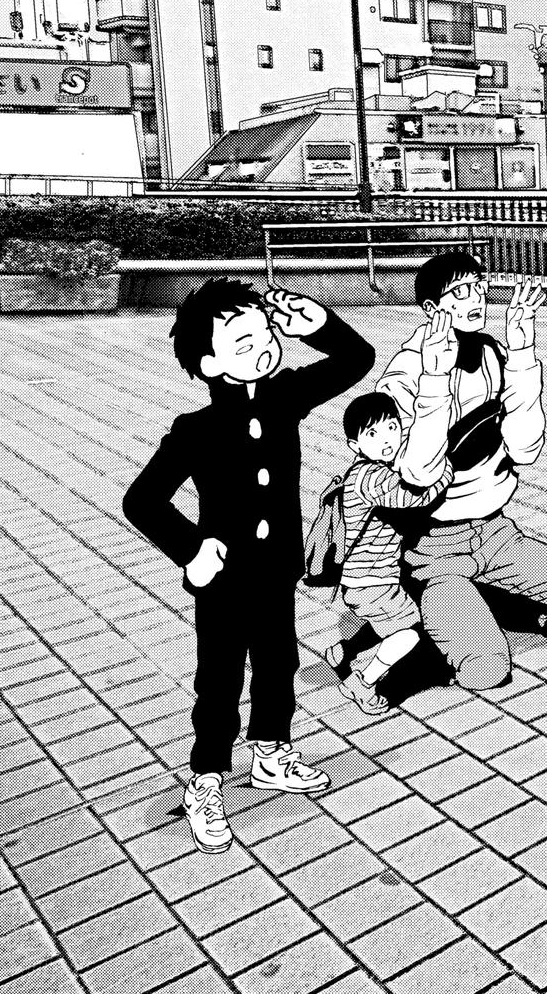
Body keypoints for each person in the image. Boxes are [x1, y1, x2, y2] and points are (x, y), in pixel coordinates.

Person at [124, 281, 373, 852]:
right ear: (210, 363)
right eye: (244, 341)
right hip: (223, 580)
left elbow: (355, 359)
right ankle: (205, 779)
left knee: (279, 662)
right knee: (219, 679)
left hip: (276, 570)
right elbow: (142, 500)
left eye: (265, 333)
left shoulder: (286, 396)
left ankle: (270, 752)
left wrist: (318, 324)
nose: (263, 345)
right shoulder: (196, 430)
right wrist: (192, 549)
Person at [377, 253, 547, 692]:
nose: (475, 300)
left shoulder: (493, 353)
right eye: (459, 292)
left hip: (497, 533)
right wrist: (435, 380)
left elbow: (524, 449)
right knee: (485, 670)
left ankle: (484, 606)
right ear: (430, 308)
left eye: (478, 288)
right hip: (434, 546)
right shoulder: (404, 376)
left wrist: (522, 353)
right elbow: (418, 474)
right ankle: (414, 623)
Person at [324, 330, 458, 714]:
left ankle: (343, 651)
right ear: (355, 445)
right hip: (371, 579)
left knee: (393, 618)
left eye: (392, 428)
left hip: (365, 577)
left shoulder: (364, 470)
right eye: (373, 433)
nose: (386, 438)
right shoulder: (371, 477)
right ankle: (364, 681)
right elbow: (414, 497)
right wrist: (444, 471)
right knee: (408, 634)